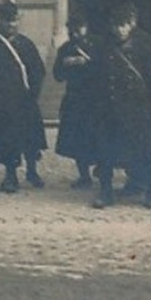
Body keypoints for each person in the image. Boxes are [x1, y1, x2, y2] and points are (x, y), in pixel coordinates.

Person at [91, 1, 151, 210]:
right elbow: (96, 73)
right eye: (115, 25)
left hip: (138, 107)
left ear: (132, 23)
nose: (119, 30)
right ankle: (106, 191)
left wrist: (149, 102)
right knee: (106, 152)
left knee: (145, 152)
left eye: (123, 25)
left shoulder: (145, 42)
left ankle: (150, 192)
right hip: (109, 107)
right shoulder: (104, 43)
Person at [0, 2, 47, 193]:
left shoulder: (26, 44)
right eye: (7, 21)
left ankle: (11, 176)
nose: (11, 25)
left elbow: (37, 71)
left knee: (15, 141)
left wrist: (30, 96)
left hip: (18, 103)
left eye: (14, 21)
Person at [53, 11, 105, 189]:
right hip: (75, 100)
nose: (75, 34)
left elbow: (107, 67)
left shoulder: (98, 44)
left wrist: (88, 62)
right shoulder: (65, 49)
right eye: (71, 31)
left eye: (78, 30)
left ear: (86, 28)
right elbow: (57, 76)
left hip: (97, 99)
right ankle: (84, 176)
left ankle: (104, 170)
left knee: (100, 136)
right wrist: (66, 63)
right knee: (77, 139)